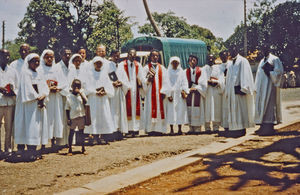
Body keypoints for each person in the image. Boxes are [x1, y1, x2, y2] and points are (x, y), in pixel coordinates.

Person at [14, 53, 49, 161]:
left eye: (38, 61)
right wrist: (38, 97)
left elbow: (44, 86)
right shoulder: (25, 73)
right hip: (29, 106)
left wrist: (44, 94)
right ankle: (29, 152)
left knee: (37, 128)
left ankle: (34, 150)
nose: (37, 63)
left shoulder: (39, 73)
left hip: (38, 104)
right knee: (30, 127)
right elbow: (28, 89)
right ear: (29, 62)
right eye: (34, 61)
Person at [37, 49, 67, 151]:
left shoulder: (57, 69)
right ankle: (43, 144)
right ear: (44, 58)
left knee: (55, 119)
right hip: (46, 98)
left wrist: (58, 88)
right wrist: (47, 89)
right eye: (47, 57)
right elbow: (38, 83)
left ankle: (54, 142)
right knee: (45, 119)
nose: (49, 59)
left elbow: (64, 82)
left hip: (56, 97)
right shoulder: (40, 69)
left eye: (51, 57)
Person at [84, 56, 115, 144]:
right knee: (94, 117)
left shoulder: (105, 74)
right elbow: (87, 86)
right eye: (97, 63)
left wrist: (105, 92)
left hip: (103, 99)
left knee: (103, 117)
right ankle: (94, 136)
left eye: (100, 63)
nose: (98, 65)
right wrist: (94, 92)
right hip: (93, 98)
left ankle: (101, 136)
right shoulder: (89, 74)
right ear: (93, 64)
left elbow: (109, 86)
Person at [224, 48, 255, 137]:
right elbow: (229, 77)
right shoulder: (230, 63)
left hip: (238, 89)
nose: (231, 52)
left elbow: (246, 74)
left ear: (236, 51)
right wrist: (228, 89)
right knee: (233, 110)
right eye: (230, 51)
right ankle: (234, 129)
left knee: (240, 110)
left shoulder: (242, 61)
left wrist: (243, 88)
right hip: (231, 90)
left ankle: (241, 129)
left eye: (233, 50)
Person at [254, 45, 283, 135]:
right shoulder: (262, 61)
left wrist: (270, 72)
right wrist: (257, 87)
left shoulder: (275, 59)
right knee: (261, 105)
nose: (263, 50)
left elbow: (279, 73)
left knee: (270, 106)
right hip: (262, 88)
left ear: (269, 49)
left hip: (270, 87)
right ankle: (262, 125)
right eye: (262, 49)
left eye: (265, 49)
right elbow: (258, 76)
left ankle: (270, 126)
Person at [143, 49, 171, 135]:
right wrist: (148, 80)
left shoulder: (162, 68)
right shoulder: (146, 68)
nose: (155, 57)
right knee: (149, 110)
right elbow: (143, 81)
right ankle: (150, 129)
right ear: (150, 57)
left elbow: (166, 81)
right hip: (150, 93)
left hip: (160, 94)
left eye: (157, 56)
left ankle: (160, 129)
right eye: (153, 56)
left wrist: (164, 92)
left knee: (160, 111)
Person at [118, 48, 144, 137]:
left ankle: (135, 129)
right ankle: (128, 129)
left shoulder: (138, 65)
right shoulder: (122, 65)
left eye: (134, 55)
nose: (132, 56)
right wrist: (125, 86)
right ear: (127, 55)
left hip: (135, 90)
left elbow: (141, 77)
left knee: (136, 109)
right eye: (131, 54)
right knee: (127, 109)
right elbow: (120, 77)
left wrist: (141, 82)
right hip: (126, 90)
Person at [108, 50, 130, 140]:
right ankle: (111, 132)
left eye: (118, 56)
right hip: (112, 93)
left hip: (120, 92)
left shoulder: (120, 67)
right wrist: (112, 84)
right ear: (111, 56)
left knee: (120, 112)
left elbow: (125, 80)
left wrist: (122, 83)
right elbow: (106, 78)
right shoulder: (108, 66)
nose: (117, 57)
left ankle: (119, 131)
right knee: (112, 112)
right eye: (115, 56)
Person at [0, 49, 18, 156]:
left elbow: (17, 86)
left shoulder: (13, 71)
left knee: (9, 128)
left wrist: (12, 92)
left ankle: (8, 149)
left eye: (8, 55)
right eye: (3, 55)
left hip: (10, 102)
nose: (6, 58)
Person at [55, 48, 73, 146]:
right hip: (61, 95)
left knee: (71, 118)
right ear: (61, 55)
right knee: (61, 118)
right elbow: (57, 82)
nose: (67, 56)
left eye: (69, 54)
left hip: (71, 95)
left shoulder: (72, 67)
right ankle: (61, 142)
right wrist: (63, 89)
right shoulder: (57, 67)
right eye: (65, 54)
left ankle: (70, 141)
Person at [166, 56, 189, 135]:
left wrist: (184, 91)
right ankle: (171, 129)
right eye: (173, 63)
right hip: (171, 94)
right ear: (171, 63)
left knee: (180, 111)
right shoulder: (168, 72)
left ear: (178, 63)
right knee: (171, 111)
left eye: (177, 63)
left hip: (179, 94)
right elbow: (166, 83)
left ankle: (179, 129)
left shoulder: (182, 72)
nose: (175, 64)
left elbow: (185, 82)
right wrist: (168, 94)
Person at [185, 55, 207, 134]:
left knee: (198, 109)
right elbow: (183, 83)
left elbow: (204, 83)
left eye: (194, 60)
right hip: (189, 93)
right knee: (189, 108)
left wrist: (197, 88)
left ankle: (198, 127)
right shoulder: (185, 71)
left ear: (197, 61)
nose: (192, 62)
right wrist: (188, 89)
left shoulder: (201, 70)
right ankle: (191, 127)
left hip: (198, 93)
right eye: (191, 60)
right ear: (188, 62)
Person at [203, 54, 225, 133]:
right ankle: (207, 127)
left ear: (215, 59)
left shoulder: (218, 68)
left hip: (216, 90)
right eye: (209, 58)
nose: (211, 60)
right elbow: (201, 80)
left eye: (212, 58)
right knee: (207, 109)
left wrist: (217, 82)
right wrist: (208, 81)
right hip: (207, 91)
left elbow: (222, 79)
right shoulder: (204, 69)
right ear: (207, 59)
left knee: (216, 109)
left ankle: (216, 127)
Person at [66, 79, 88, 155]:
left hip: (81, 115)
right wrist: (68, 119)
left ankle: (83, 148)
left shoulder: (81, 95)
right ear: (72, 86)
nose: (77, 88)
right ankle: (70, 149)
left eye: (78, 86)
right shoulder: (69, 96)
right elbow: (67, 108)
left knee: (81, 133)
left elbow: (86, 102)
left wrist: (81, 94)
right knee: (71, 132)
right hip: (73, 117)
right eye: (75, 86)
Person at [219, 51, 232, 131]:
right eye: (222, 56)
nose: (224, 58)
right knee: (224, 108)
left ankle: (232, 125)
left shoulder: (231, 64)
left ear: (228, 56)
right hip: (223, 89)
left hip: (230, 88)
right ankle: (226, 126)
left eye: (225, 56)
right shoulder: (219, 67)